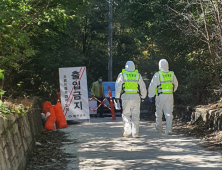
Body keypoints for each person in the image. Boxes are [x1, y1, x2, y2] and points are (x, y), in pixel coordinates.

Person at [115, 61, 147, 138]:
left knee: (126, 114)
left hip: (126, 96)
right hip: (136, 96)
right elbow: (142, 86)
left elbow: (118, 86)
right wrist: (143, 96)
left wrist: (117, 97)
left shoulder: (122, 74)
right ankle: (135, 132)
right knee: (135, 115)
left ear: (126, 66)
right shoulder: (137, 75)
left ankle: (127, 131)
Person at [148, 59, 178, 135]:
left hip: (160, 96)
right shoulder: (172, 74)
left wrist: (150, 95)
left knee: (159, 112)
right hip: (169, 95)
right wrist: (172, 91)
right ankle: (168, 129)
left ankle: (159, 128)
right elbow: (176, 84)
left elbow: (152, 86)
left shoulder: (157, 75)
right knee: (169, 113)